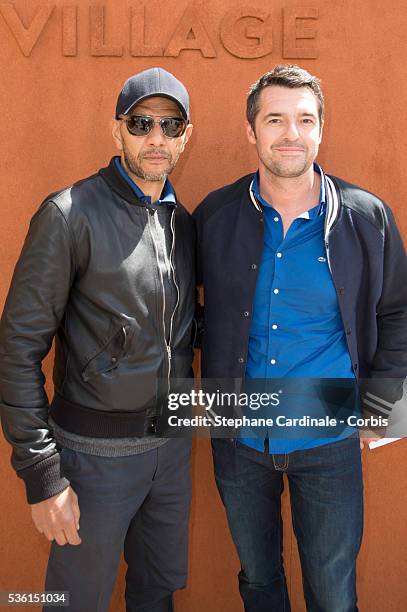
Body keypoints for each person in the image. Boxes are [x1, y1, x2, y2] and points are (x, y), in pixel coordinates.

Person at [193, 65, 407, 611]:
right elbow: (179, 310)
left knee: (334, 594)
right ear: (252, 131)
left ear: (320, 130)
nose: (291, 133)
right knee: (259, 581)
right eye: (275, 120)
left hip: (330, 439)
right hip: (239, 440)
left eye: (304, 120)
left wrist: (384, 410)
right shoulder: (215, 216)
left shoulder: (367, 217)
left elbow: (398, 312)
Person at [0, 67, 195, 611]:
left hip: (170, 455)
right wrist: (42, 475)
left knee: (156, 594)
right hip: (92, 459)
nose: (156, 137)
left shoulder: (183, 222)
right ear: (118, 132)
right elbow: (17, 348)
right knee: (73, 602)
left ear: (186, 135)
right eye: (141, 123)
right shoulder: (68, 215)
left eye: (169, 124)